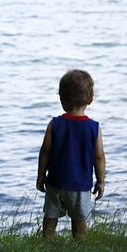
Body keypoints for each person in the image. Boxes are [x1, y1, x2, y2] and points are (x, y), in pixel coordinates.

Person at [36, 69, 106, 240]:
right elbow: (99, 157)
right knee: (79, 218)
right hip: (81, 186)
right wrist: (101, 181)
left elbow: (45, 151)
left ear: (61, 98)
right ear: (90, 99)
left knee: (51, 216)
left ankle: (46, 242)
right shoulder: (94, 127)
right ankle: (78, 245)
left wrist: (40, 175)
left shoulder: (54, 124)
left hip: (56, 182)